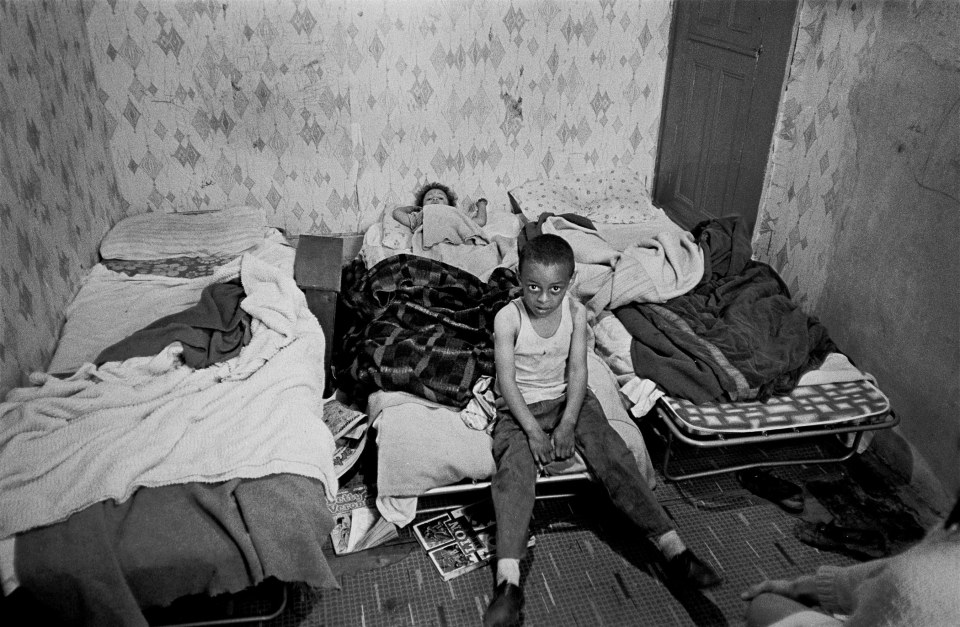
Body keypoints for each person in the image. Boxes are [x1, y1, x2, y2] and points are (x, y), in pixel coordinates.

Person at [482, 234, 721, 627]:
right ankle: (507, 584)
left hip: (568, 401)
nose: (543, 299)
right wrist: (534, 432)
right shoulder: (508, 317)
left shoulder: (575, 313)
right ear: (519, 279)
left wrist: (568, 423)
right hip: (519, 409)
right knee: (513, 474)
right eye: (533, 288)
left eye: (555, 289)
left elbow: (579, 370)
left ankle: (675, 550)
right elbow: (506, 381)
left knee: (613, 452)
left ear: (571, 284)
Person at [741, 494, 960, 627]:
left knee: (762, 606)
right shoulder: (947, 541)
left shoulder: (922, 587)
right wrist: (800, 588)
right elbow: (889, 570)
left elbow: (905, 580)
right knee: (767, 605)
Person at [392, 181, 487, 230]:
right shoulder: (420, 216)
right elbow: (397, 213)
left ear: (450, 206)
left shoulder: (455, 215)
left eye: (441, 198)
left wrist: (481, 205)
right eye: (429, 199)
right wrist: (411, 208)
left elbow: (480, 221)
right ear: (422, 206)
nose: (435, 199)